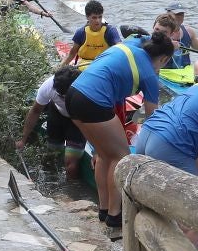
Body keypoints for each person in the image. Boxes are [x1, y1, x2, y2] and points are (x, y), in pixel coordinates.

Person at [67, 29, 175, 232]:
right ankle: (115, 215)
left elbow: (143, 37)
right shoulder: (149, 76)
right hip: (94, 100)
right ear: (164, 59)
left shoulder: (133, 43)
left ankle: (104, 210)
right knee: (121, 157)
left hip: (73, 94)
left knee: (104, 155)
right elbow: (152, 118)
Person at [16, 65, 89, 180]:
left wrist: (97, 152)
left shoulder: (88, 91)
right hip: (57, 115)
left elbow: (99, 121)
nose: (64, 99)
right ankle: (52, 183)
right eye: (61, 96)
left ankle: (70, 188)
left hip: (79, 119)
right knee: (50, 158)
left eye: (66, 96)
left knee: (70, 166)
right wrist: (23, 139)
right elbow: (35, 111)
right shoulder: (48, 86)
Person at [64, 0, 121, 67]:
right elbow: (72, 54)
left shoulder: (110, 31)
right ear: (87, 17)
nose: (98, 21)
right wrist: (60, 68)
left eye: (100, 17)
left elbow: (120, 48)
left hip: (104, 65)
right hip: (84, 65)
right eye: (94, 18)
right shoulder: (80, 32)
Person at [161, 2, 195, 67]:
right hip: (164, 70)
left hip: (185, 71)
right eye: (177, 14)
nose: (180, 17)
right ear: (167, 14)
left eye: (182, 14)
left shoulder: (189, 32)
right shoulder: (160, 32)